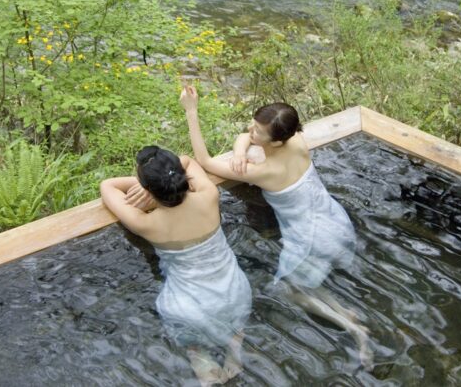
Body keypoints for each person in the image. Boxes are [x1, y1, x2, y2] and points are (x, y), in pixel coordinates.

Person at [179, 85, 372, 368]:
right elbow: (244, 136)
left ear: (277, 141)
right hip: (334, 220)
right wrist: (240, 150)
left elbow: (204, 161)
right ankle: (345, 311)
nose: (251, 130)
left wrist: (191, 111)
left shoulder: (266, 172)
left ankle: (354, 329)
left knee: (288, 290)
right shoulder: (296, 141)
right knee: (303, 282)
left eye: (258, 131)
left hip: (310, 238)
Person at [100, 146, 251, 386]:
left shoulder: (146, 223)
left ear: (148, 190)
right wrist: (159, 179)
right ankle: (234, 355)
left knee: (195, 350)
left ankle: (204, 368)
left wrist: (144, 185)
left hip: (189, 308)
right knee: (234, 332)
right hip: (234, 292)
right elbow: (188, 161)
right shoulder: (209, 196)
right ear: (179, 175)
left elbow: (107, 186)